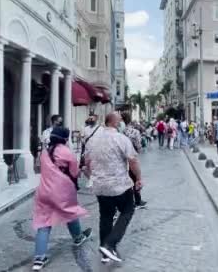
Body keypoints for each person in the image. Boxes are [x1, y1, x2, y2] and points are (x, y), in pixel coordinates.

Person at [85, 113, 142, 263]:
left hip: (100, 186)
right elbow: (133, 160)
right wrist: (139, 178)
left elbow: (87, 162)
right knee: (128, 210)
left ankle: (105, 252)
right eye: (120, 120)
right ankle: (110, 244)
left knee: (105, 216)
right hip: (119, 185)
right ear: (115, 123)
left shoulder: (93, 140)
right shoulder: (121, 139)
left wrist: (94, 177)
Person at [32, 127, 91, 271]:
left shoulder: (45, 153)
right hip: (63, 190)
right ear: (65, 139)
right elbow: (75, 172)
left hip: (44, 191)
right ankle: (78, 237)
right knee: (70, 212)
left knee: (43, 223)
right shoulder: (66, 152)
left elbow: (40, 167)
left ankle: (39, 259)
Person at [121, 113, 147, 210]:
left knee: (124, 179)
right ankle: (137, 200)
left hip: (121, 158)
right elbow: (139, 145)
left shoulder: (119, 132)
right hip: (132, 156)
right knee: (135, 178)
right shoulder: (134, 131)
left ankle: (126, 201)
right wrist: (139, 151)